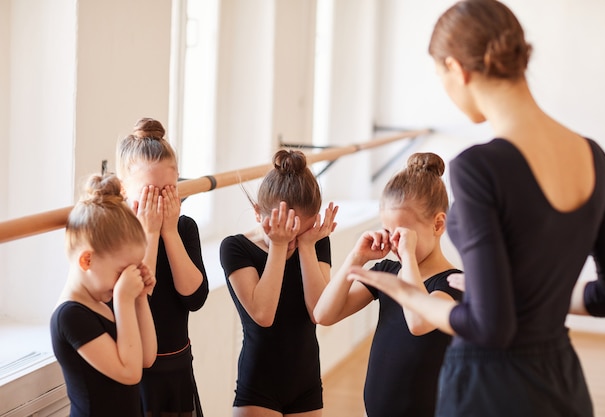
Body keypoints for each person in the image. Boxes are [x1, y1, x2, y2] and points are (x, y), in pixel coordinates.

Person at [347, 1, 605, 416]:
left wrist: (410, 295)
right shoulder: (594, 156)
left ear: (457, 69)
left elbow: (490, 326)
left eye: (441, 77)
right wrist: (526, 298)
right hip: (562, 384)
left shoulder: (479, 167)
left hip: (489, 387)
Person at [314, 152, 463, 417]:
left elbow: (417, 322)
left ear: (438, 224)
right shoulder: (388, 271)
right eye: (387, 230)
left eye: (402, 233)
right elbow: (324, 314)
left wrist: (407, 256)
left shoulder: (453, 285)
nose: (394, 242)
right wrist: (356, 257)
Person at [219, 149, 338, 417]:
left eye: (303, 230)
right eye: (284, 229)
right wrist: (278, 246)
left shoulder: (316, 241)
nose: (293, 239)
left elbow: (318, 311)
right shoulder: (235, 247)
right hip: (259, 384)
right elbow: (263, 314)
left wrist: (308, 245)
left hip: (306, 382)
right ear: (258, 213)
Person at [116, 117, 210, 417]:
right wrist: (150, 233)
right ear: (124, 190)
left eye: (167, 191)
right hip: (138, 372)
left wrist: (168, 231)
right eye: (148, 193)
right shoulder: (117, 234)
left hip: (179, 365)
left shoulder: (184, 228)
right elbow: (140, 297)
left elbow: (194, 298)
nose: (158, 201)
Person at [50, 173, 157, 417]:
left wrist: (140, 298)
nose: (127, 279)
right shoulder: (70, 316)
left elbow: (147, 357)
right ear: (87, 260)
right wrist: (123, 299)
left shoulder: (102, 302)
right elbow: (129, 373)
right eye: (122, 271)